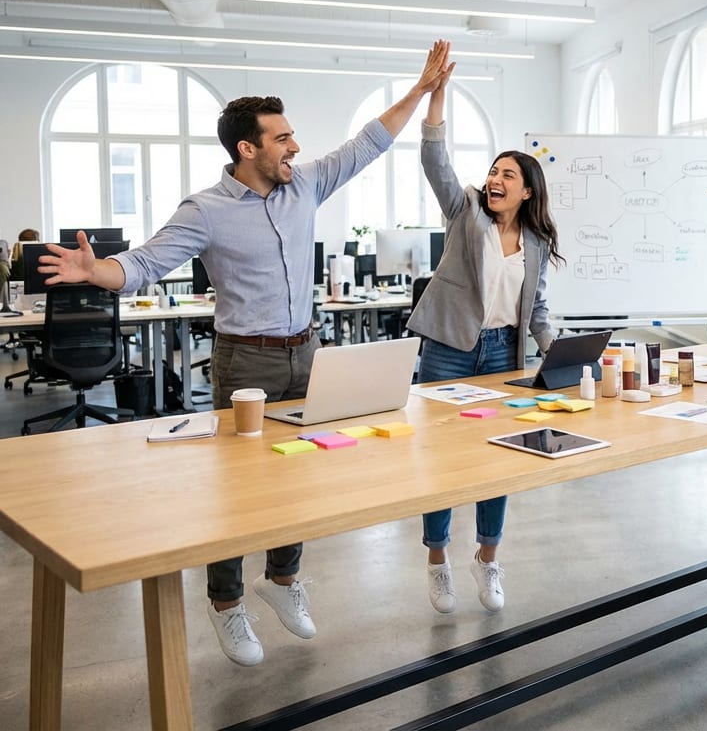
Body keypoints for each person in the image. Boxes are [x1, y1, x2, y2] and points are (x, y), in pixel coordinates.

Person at [37, 40, 455, 667]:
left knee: (298, 478)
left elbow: (370, 141)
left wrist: (421, 91)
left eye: (293, 136)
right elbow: (147, 262)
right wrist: (98, 272)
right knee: (237, 492)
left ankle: (282, 581)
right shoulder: (205, 211)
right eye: (283, 138)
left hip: (307, 354)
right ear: (248, 149)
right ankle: (226, 603)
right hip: (246, 360)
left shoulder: (305, 183)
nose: (295, 146)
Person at [407, 58, 561, 616]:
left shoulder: (537, 243)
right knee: (443, 460)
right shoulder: (465, 212)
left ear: (526, 192)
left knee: (498, 458)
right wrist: (437, 95)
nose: (495, 180)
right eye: (493, 172)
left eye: (508, 176)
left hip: (501, 354)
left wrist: (561, 352)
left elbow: (536, 309)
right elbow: (434, 159)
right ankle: (438, 561)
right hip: (447, 350)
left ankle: (488, 558)